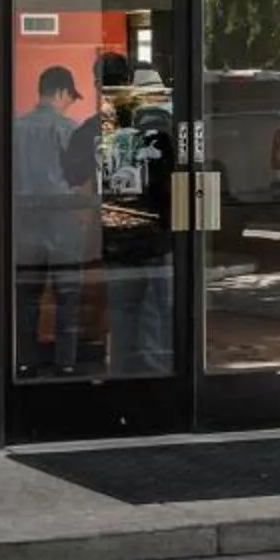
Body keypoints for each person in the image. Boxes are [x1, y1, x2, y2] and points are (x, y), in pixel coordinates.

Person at [93, 51, 176, 378]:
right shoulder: (155, 127)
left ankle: (125, 378)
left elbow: (73, 174)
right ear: (129, 81)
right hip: (155, 237)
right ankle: (156, 379)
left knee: (123, 314)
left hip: (114, 238)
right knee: (156, 314)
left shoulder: (91, 127)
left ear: (97, 82)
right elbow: (170, 176)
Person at [11, 64, 96, 376]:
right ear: (61, 92)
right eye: (70, 97)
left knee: (27, 296)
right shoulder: (69, 129)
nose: (69, 104)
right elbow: (80, 176)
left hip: (23, 218)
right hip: (63, 218)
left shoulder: (15, 129)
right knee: (68, 296)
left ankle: (23, 360)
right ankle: (67, 363)